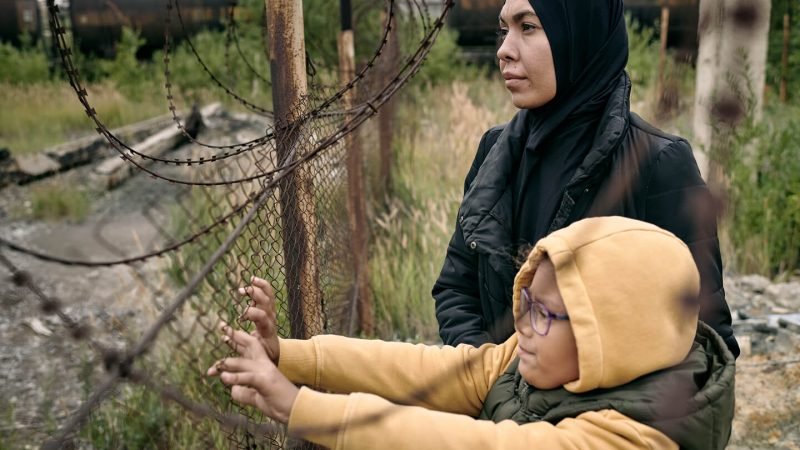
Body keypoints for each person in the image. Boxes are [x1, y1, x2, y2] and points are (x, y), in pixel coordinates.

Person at [207, 217, 735, 450]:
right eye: (525, 302)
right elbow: (438, 370)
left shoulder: (639, 436)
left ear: (613, 333)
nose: (523, 325)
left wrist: (299, 407)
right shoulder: (550, 356)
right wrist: (291, 355)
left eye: (546, 313)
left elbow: (477, 443)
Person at [432, 0, 740, 357]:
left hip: (601, 412)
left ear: (581, 37)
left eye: (527, 27)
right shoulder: (496, 151)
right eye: (504, 30)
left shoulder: (658, 163)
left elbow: (707, 340)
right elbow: (456, 288)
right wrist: (494, 372)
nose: (504, 50)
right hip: (496, 405)